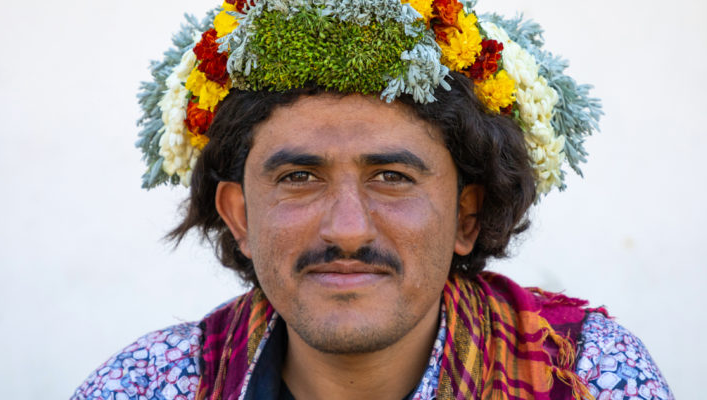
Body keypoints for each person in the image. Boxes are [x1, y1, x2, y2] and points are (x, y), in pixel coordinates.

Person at [73, 0, 673, 398]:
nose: (348, 230)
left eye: (391, 177)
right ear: (239, 216)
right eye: (299, 178)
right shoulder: (148, 385)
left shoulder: (587, 375)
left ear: (467, 215)